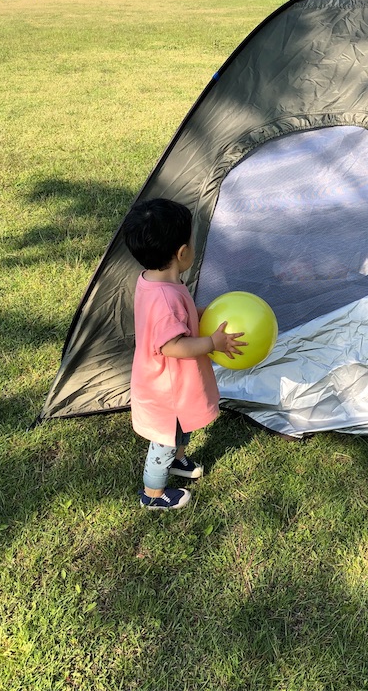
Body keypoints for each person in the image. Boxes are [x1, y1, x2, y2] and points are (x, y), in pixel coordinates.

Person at [120, 199, 246, 511]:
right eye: (191, 241)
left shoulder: (156, 280)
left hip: (175, 385)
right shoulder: (163, 297)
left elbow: (180, 316)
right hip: (166, 389)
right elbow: (171, 345)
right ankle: (153, 494)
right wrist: (212, 343)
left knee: (182, 427)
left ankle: (178, 461)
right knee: (164, 439)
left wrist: (206, 313)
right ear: (181, 253)